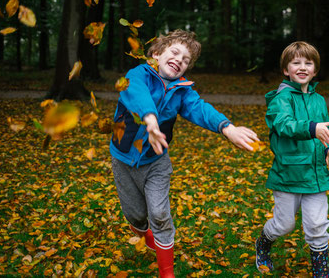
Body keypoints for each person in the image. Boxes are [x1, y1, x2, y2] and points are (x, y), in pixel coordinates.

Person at [110, 29, 258, 278]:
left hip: (156, 163)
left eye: (186, 59)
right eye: (175, 52)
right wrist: (150, 120)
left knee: (159, 214)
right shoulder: (137, 75)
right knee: (135, 216)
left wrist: (227, 128)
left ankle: (167, 272)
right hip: (123, 159)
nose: (180, 59)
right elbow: (136, 92)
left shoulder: (182, 91)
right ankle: (144, 232)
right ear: (156, 54)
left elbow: (200, 109)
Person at [255, 41, 329, 277]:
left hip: (316, 175)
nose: (302, 67)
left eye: (308, 63)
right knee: (285, 225)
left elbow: (325, 131)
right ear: (286, 70)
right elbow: (284, 125)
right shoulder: (281, 99)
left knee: (317, 224)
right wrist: (312, 128)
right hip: (289, 174)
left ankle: (320, 271)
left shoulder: (319, 100)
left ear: (315, 70)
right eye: (296, 63)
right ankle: (264, 242)